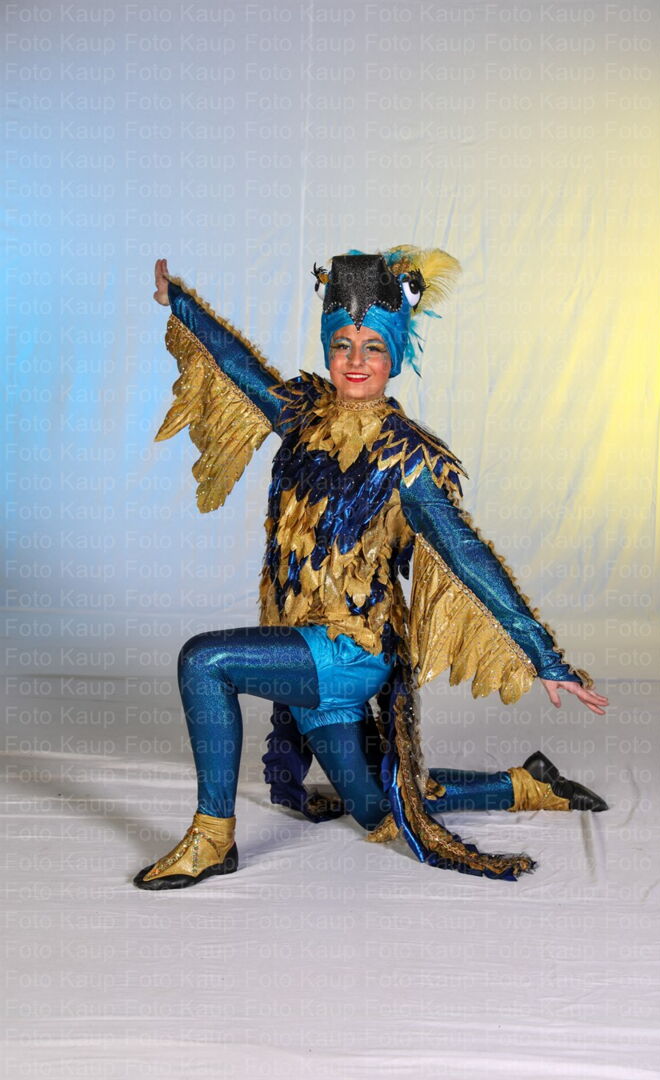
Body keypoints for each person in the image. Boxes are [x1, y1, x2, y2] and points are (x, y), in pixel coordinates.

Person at [133, 247, 609, 890]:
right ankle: (526, 784)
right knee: (376, 811)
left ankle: (213, 838)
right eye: (343, 345)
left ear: (395, 357)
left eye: (374, 348)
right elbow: (240, 368)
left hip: (351, 648)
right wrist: (181, 303)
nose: (356, 361)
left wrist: (544, 657)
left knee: (204, 661)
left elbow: (469, 557)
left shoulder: (407, 458)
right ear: (328, 348)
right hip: (302, 640)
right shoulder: (302, 415)